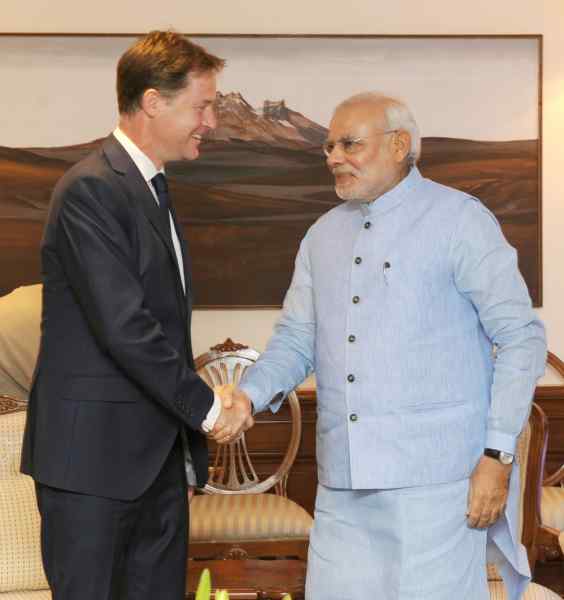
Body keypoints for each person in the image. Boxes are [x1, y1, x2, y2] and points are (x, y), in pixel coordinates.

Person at [215, 93, 546, 600]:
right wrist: (249, 394)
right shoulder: (321, 236)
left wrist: (496, 457)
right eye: (328, 145)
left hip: (438, 487)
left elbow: (521, 338)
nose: (333, 156)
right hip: (343, 488)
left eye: (349, 143)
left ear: (400, 145)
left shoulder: (460, 220)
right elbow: (296, 337)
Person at [21, 31, 252, 600]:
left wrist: (186, 452)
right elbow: (125, 328)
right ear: (153, 101)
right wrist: (206, 407)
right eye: (202, 105)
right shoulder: (91, 189)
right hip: (92, 470)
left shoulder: (151, 188)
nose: (212, 121)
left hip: (155, 467)